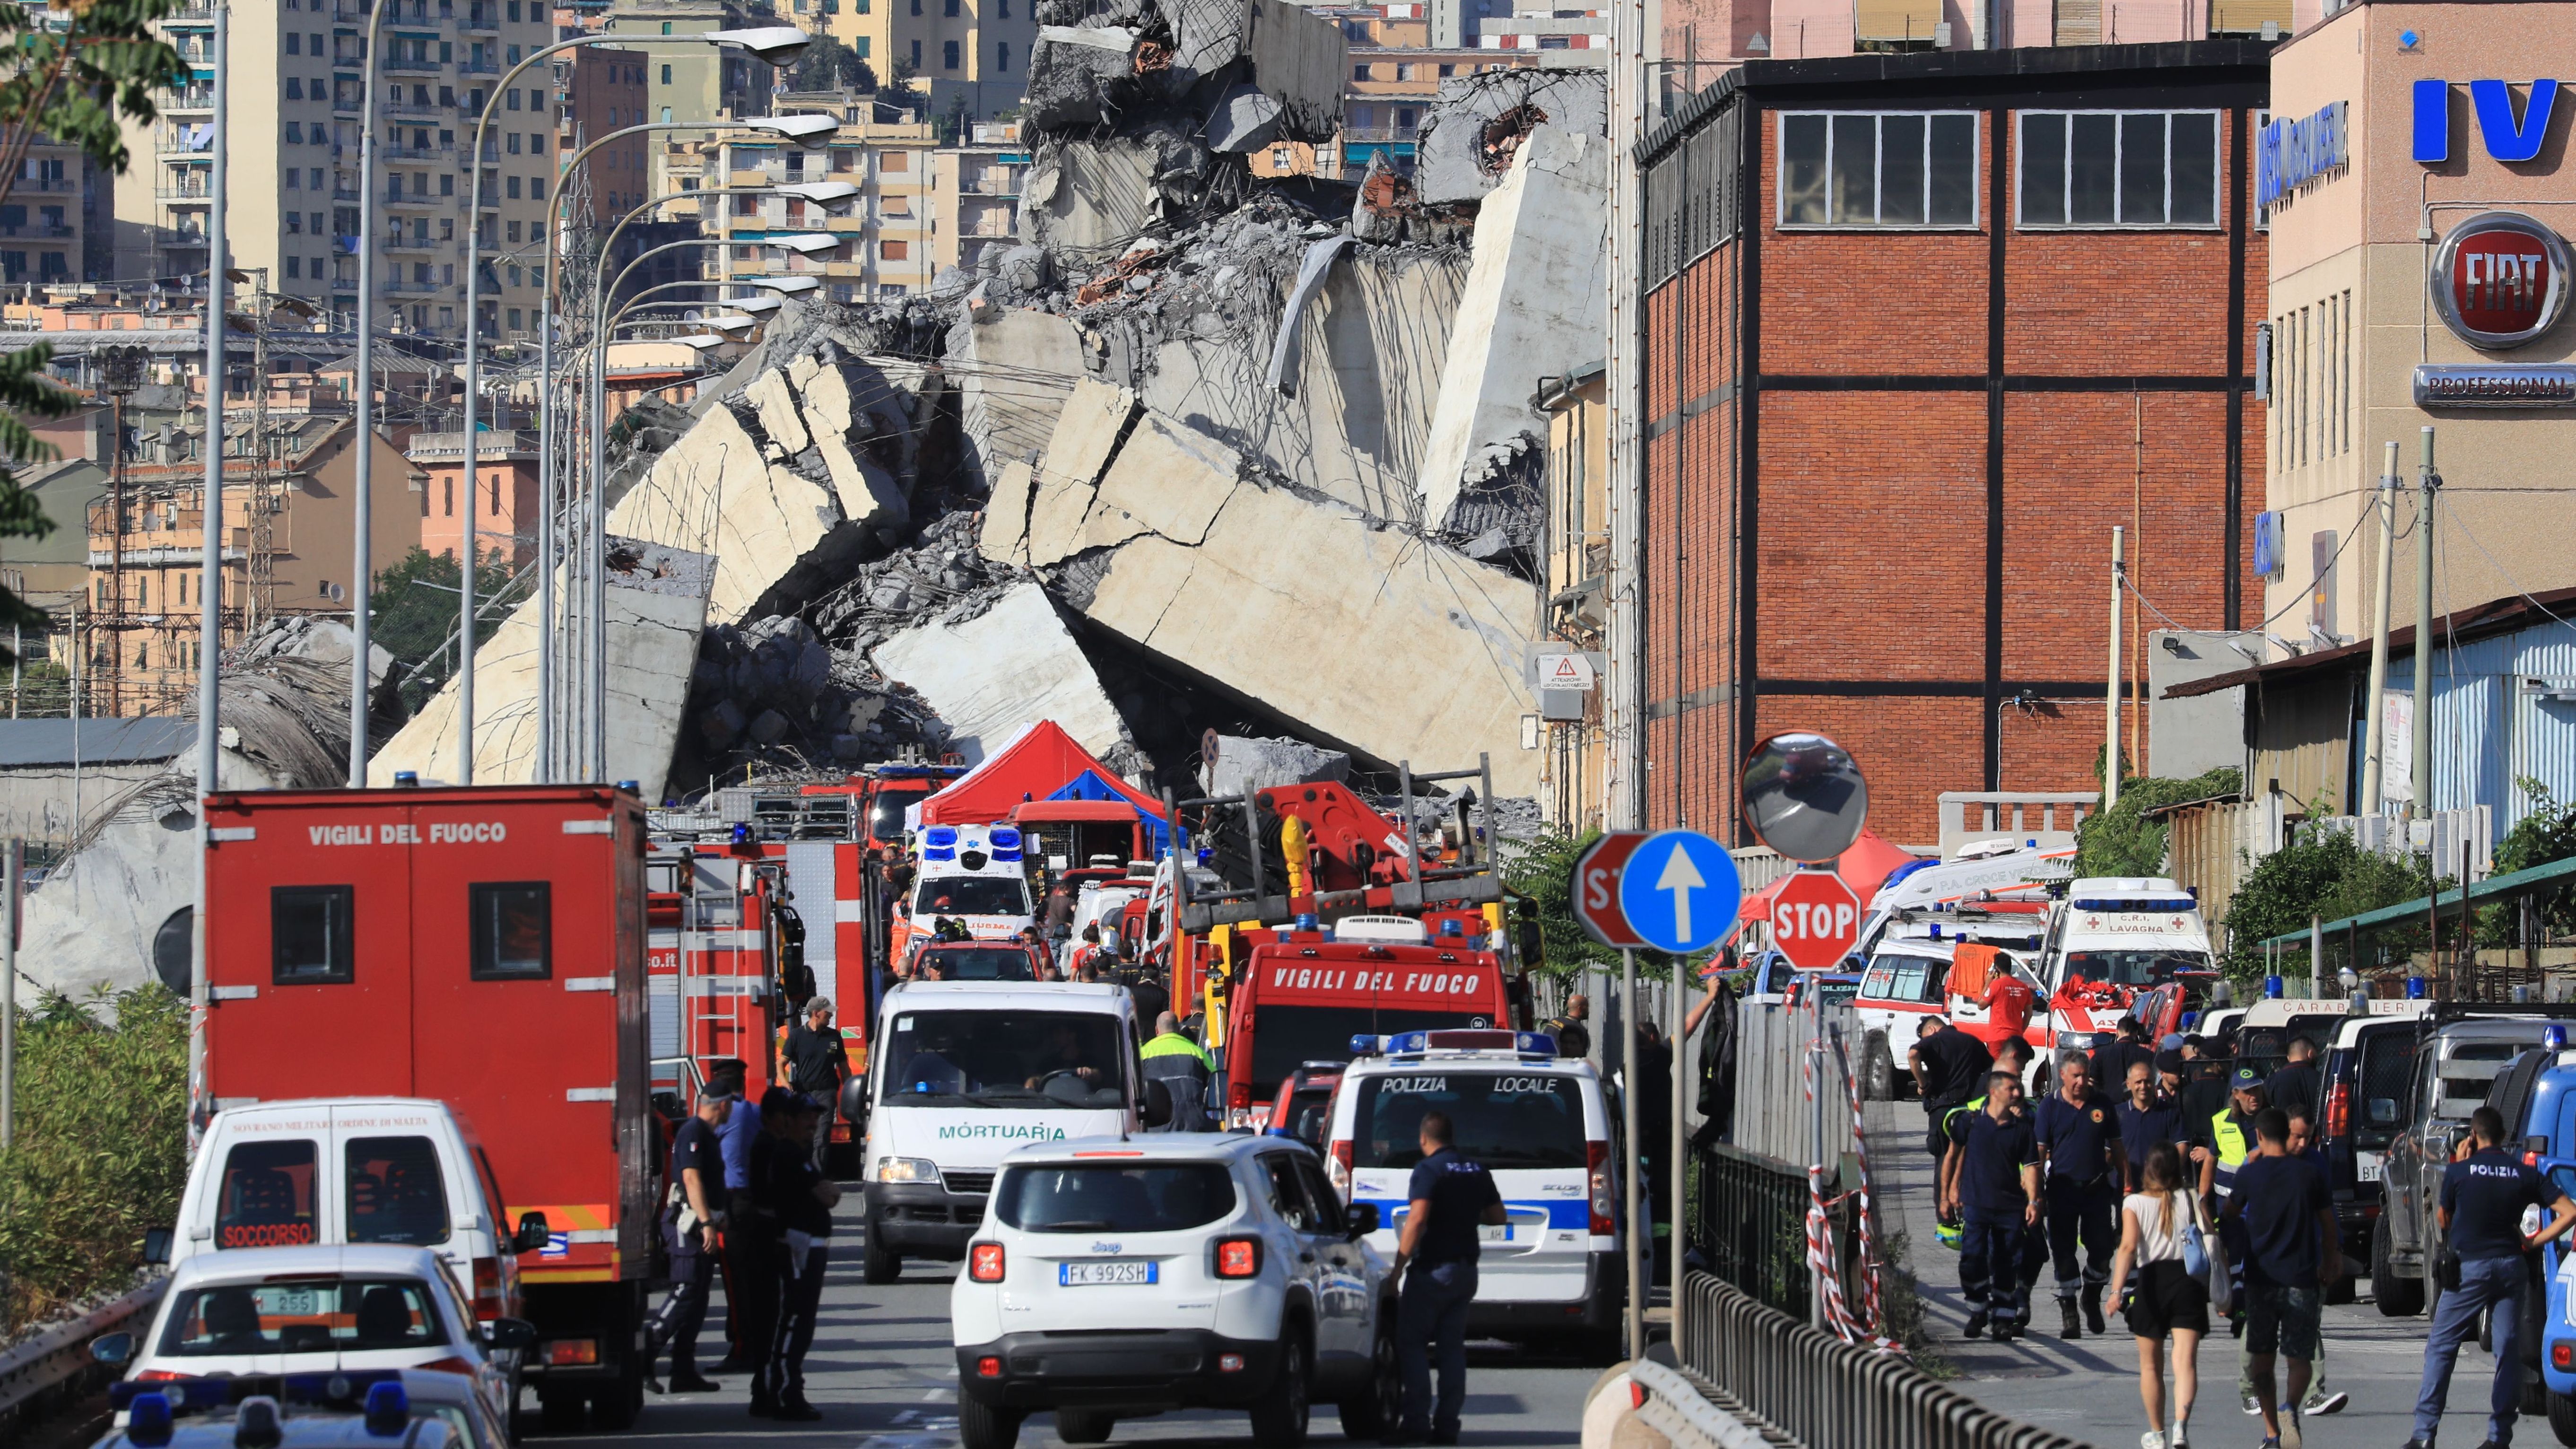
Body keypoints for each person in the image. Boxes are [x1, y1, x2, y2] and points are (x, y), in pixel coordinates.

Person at [2404, 1104, 2576, 1449]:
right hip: (2511, 1267)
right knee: (2507, 1350)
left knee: (2441, 1346)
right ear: (2502, 1138)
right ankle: (2499, 1438)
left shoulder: (2459, 1172)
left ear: (2474, 1135)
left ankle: (2424, 1435)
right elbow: (2569, 1213)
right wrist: (2533, 1241)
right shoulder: (2521, 1173)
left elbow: (2442, 1220)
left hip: (2470, 1269)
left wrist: (2458, 1163)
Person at [2222, 1108, 2341, 1449]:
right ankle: (2292, 1406)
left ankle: (2272, 1433)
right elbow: (2328, 1225)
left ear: (2259, 1136)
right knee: (2299, 1359)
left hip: (2261, 1280)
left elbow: (2229, 1213)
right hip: (2301, 1278)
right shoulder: (2309, 1175)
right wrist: (2331, 1259)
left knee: (2263, 1361)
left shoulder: (2251, 1175)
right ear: (2285, 1134)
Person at [1390, 1109, 1506, 1446]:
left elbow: (1417, 1219)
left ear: (1424, 1138)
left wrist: (1397, 1269)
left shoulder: (1428, 1170)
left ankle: (1415, 1423)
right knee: (1452, 1349)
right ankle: (1447, 1426)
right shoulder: (1476, 1169)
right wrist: (1466, 1213)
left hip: (1432, 1271)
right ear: (1452, 1137)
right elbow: (1499, 1217)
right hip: (1466, 1271)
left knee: (1412, 1345)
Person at [2107, 1141, 2210, 1449]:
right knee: (2185, 1364)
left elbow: (2127, 1248)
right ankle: (2181, 1427)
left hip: (2152, 1283)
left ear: (2147, 1172)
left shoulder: (2134, 1204)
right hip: (2187, 1282)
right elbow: (2211, 1237)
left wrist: (2116, 1291)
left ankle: (2158, 1433)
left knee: (2152, 1367)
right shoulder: (2191, 1199)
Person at [749, 1089, 839, 1421]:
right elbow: (826, 1195)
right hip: (797, 1243)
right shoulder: (786, 1153)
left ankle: (785, 1388)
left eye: (816, 1117)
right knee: (795, 1317)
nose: (813, 1124)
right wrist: (826, 1191)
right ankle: (785, 1390)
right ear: (787, 1120)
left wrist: (827, 1191)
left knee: (801, 1317)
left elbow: (827, 1192)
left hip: (809, 1242)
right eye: (805, 1118)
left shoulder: (800, 1153)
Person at [2033, 1053, 2126, 1338]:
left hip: (2096, 1189)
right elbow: (2038, 1153)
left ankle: (2091, 1296)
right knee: (2063, 1252)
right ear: (2063, 1075)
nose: (2081, 1081)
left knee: (2101, 1250)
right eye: (2075, 1076)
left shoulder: (2102, 1104)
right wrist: (2036, 1195)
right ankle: (2070, 1312)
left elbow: (2118, 1148)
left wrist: (2127, 1184)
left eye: (2085, 1076)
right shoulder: (2050, 1106)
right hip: (2061, 1190)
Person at [648, 1084, 732, 1393]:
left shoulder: (706, 1135)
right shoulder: (693, 1132)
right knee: (686, 1290)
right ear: (721, 1106)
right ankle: (647, 1352)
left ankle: (683, 1370)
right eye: (731, 1103)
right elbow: (690, 1178)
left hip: (701, 1227)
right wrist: (707, 1221)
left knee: (698, 1299)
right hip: (687, 1225)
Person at [1947, 1069, 2042, 1340]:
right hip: (1976, 1203)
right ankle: (1977, 1308)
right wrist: (1949, 1192)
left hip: (2010, 1206)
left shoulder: (2022, 1128)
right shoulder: (1971, 1122)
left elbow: (2032, 1168)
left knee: (2008, 1262)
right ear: (1994, 1092)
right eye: (2011, 1088)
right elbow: (1952, 1157)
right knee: (1972, 1258)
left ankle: (2003, 1318)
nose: (2016, 1093)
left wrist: (2033, 1201)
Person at [705, 1060, 770, 1377]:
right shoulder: (755, 1112)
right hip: (753, 1200)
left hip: (730, 1202)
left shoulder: (725, 1116)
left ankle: (741, 1346)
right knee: (753, 1278)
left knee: (734, 1282)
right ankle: (755, 1341)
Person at [781, 998, 851, 1170]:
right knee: (804, 1136)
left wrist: (850, 1091)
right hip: (804, 1094)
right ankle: (803, 1173)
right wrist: (784, 1083)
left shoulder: (834, 1037)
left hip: (826, 1093)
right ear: (816, 1013)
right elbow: (780, 1063)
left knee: (822, 1136)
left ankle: (817, 1176)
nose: (831, 1015)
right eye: (828, 1013)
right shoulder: (797, 1036)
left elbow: (844, 1067)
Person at [1139, 1011, 1219, 1131]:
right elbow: (1217, 1081)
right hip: (1194, 1124)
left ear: (1157, 1030)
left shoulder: (1144, 1053)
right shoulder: (1197, 1052)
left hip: (1157, 1127)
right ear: (1178, 1029)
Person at [2117, 1058, 2187, 1194]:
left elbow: (2182, 1146)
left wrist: (2170, 1176)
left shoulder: (2170, 1112)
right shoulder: (2118, 1113)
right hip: (2126, 1189)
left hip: (2160, 1188)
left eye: (2147, 1082)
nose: (2143, 1087)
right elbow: (2109, 1152)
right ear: (2129, 1084)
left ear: (2154, 1082)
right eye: (2138, 1082)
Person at [2265, 1036, 2323, 1125]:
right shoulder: (2321, 1079)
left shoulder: (2272, 1081)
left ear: (2289, 1058)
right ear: (2310, 1054)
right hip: (2315, 1132)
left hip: (2283, 1134)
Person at [1543, 993, 1593, 1061]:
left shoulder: (1554, 1021)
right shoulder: (1579, 1030)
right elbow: (1581, 1057)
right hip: (1564, 1066)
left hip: (1547, 1062)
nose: (1588, 1011)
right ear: (1580, 1008)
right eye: (1587, 1007)